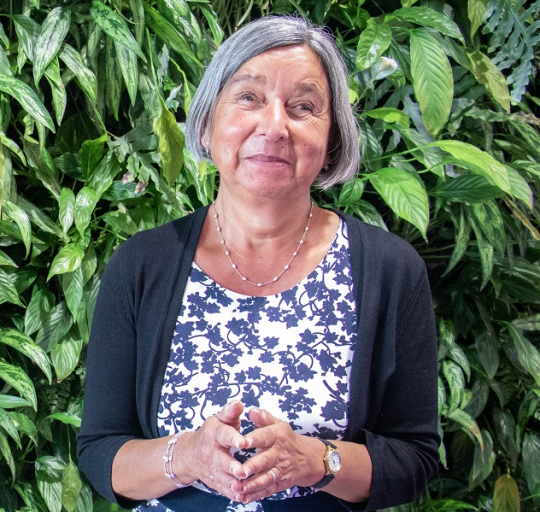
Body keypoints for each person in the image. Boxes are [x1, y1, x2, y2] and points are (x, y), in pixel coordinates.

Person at [77, 15, 439, 512]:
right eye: (248, 97)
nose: (273, 125)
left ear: (332, 137)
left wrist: (316, 460)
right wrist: (185, 456)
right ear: (207, 121)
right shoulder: (141, 265)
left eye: (303, 106)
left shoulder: (390, 269)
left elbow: (415, 458)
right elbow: (100, 452)